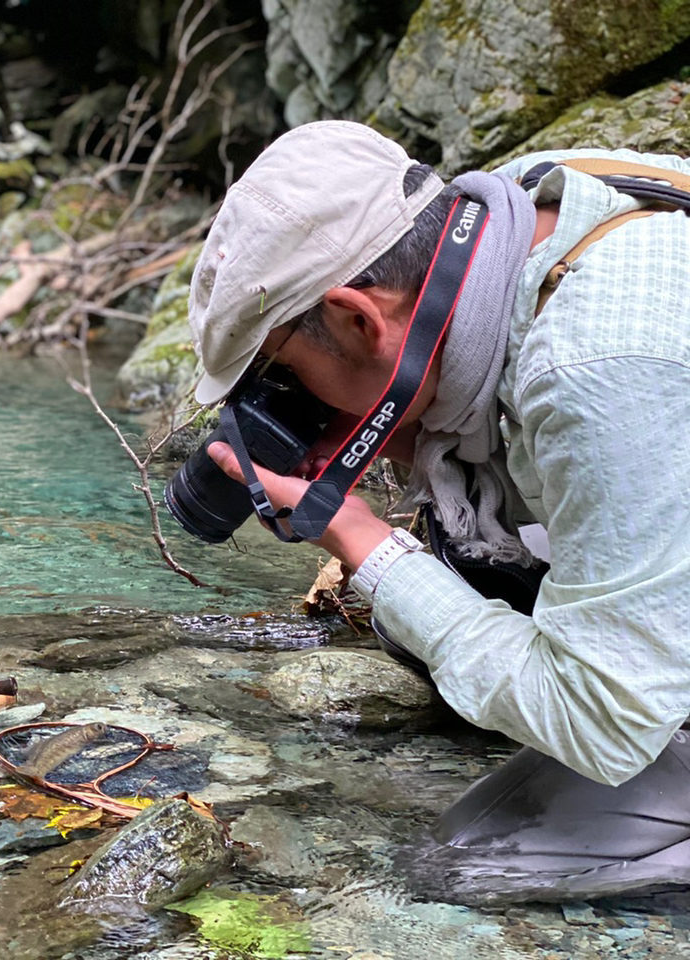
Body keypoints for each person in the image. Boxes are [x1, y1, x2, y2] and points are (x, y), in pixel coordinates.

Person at [184, 119, 690, 903]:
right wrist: (390, 438)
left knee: (470, 858)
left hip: (629, 400)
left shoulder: (594, 370)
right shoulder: (516, 211)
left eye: (283, 374)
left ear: (357, 318)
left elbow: (607, 727)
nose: (285, 410)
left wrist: (359, 535)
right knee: (442, 594)